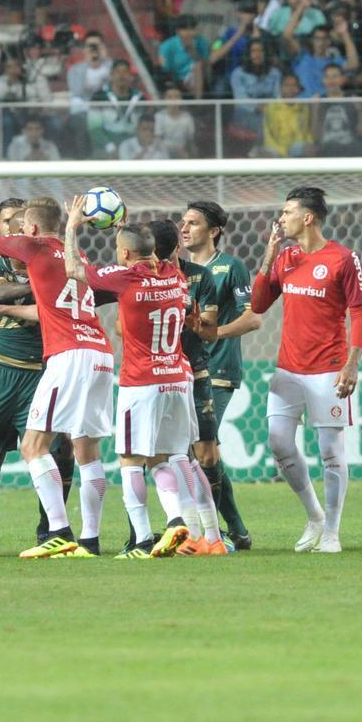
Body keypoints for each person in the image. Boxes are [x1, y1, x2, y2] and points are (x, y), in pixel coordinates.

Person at [0, 195, 115, 559]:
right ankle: (90, 539)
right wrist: (2, 308)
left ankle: (58, 531)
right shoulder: (77, 258)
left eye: (24, 225)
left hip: (67, 356)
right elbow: (51, 310)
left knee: (32, 447)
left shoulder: (33, 246)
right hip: (99, 353)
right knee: (87, 450)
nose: (20, 230)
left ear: (34, 228)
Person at [66, 210, 196, 559]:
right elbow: (152, 255)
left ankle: (140, 539)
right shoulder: (176, 275)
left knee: (129, 460)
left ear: (124, 254)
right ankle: (175, 520)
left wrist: (71, 227)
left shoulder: (125, 277)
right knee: (160, 459)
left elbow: (73, 271)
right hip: (177, 382)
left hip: (141, 383)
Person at [251, 187, 362, 554]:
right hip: (287, 370)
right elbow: (257, 304)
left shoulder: (343, 259)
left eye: (287, 212)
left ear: (308, 217)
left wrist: (352, 364)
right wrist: (268, 258)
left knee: (330, 452)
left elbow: (360, 313)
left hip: (328, 369)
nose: (280, 218)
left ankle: (332, 531)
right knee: (278, 442)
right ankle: (315, 515)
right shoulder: (285, 257)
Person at [147, 219, 229, 555]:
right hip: (167, 374)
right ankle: (207, 536)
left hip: (185, 373)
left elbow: (210, 331)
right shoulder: (146, 277)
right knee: (183, 457)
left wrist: (198, 326)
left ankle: (205, 533)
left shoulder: (198, 276)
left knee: (182, 456)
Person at [180, 200, 258, 549]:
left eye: (193, 223)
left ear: (213, 231)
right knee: (196, 453)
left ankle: (221, 532)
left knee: (201, 449)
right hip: (184, 371)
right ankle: (234, 531)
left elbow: (252, 318)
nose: (184, 228)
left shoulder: (231, 267)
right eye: (183, 222)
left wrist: (213, 334)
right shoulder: (176, 271)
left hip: (219, 370)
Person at [284, 19, 359, 98]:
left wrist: (344, 33)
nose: (321, 42)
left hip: (324, 106)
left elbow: (354, 64)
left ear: (329, 41)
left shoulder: (335, 62)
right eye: (317, 38)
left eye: (324, 39)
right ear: (312, 41)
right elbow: (287, 36)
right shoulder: (302, 57)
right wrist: (301, 7)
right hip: (303, 105)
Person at [87, 59, 144, 158]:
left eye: (125, 72)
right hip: (106, 147)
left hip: (134, 146)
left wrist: (138, 148)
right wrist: (110, 148)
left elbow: (145, 126)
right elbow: (94, 129)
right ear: (111, 75)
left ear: (130, 76)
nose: (122, 76)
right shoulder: (99, 97)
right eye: (118, 72)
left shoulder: (140, 98)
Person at [258, 73, 313, 158]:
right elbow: (268, 136)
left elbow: (306, 132)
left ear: (298, 89)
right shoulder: (271, 107)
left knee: (311, 148)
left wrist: (309, 145)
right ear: (280, 88)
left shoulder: (303, 107)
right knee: (262, 154)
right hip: (275, 148)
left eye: (294, 85)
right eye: (286, 85)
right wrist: (284, 152)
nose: (290, 89)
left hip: (296, 146)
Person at [157, 14, 210, 97]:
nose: (190, 33)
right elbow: (164, 68)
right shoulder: (167, 46)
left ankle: (198, 101)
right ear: (178, 31)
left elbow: (205, 64)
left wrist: (192, 51)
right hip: (175, 80)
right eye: (186, 30)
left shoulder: (201, 42)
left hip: (197, 79)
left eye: (192, 29)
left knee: (197, 66)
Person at [154, 86, 196, 158]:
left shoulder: (187, 117)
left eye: (176, 97)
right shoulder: (159, 116)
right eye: (169, 97)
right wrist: (175, 149)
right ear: (164, 99)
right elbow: (157, 141)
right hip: (162, 154)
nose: (173, 100)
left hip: (183, 154)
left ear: (181, 100)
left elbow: (190, 140)